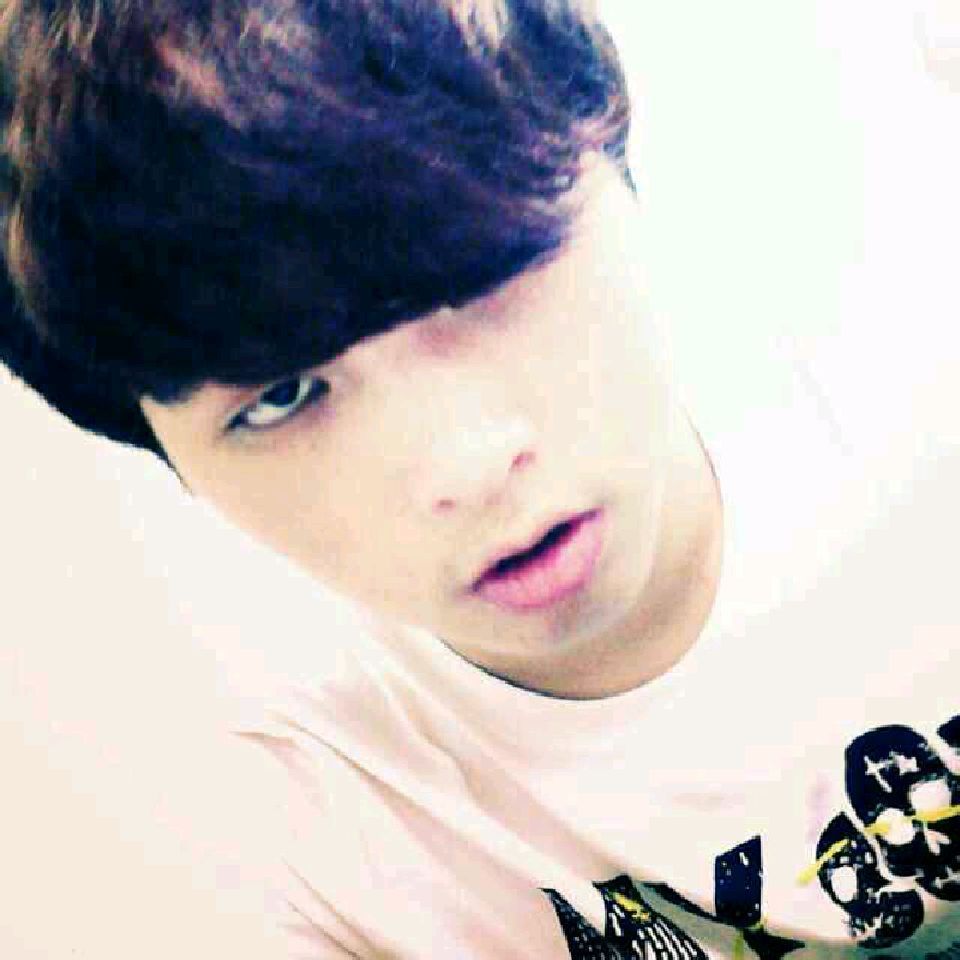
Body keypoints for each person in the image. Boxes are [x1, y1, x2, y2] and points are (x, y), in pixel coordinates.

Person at [0, 1, 956, 957]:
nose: (464, 464)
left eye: (488, 270)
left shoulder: (921, 396)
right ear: (171, 460)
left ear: (616, 159)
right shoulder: (305, 861)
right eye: (283, 396)